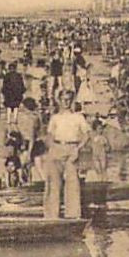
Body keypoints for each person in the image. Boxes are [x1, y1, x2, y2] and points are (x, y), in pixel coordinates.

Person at [42, 90, 88, 220]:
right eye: (63, 99)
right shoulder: (55, 118)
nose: (66, 102)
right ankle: (51, 215)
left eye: (68, 99)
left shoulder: (78, 117)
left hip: (72, 148)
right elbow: (50, 136)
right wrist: (51, 149)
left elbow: (86, 136)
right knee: (53, 183)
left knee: (73, 183)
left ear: (72, 100)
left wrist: (77, 149)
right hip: (56, 148)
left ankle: (72, 214)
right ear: (59, 101)